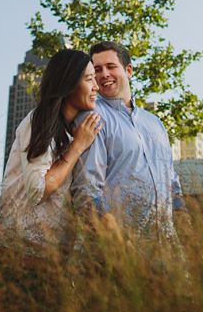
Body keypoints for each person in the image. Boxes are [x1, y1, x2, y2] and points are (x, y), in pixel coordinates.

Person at [71, 41, 187, 236]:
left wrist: (182, 215)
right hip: (120, 246)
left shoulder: (155, 123)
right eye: (97, 69)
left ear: (129, 70)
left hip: (167, 243)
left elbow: (171, 179)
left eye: (111, 66)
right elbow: (87, 190)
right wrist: (116, 242)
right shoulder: (92, 116)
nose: (104, 74)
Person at [0, 48, 101, 246]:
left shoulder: (74, 131)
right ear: (69, 84)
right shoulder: (39, 120)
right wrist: (77, 146)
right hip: (18, 249)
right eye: (89, 79)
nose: (96, 86)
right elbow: (38, 190)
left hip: (52, 255)